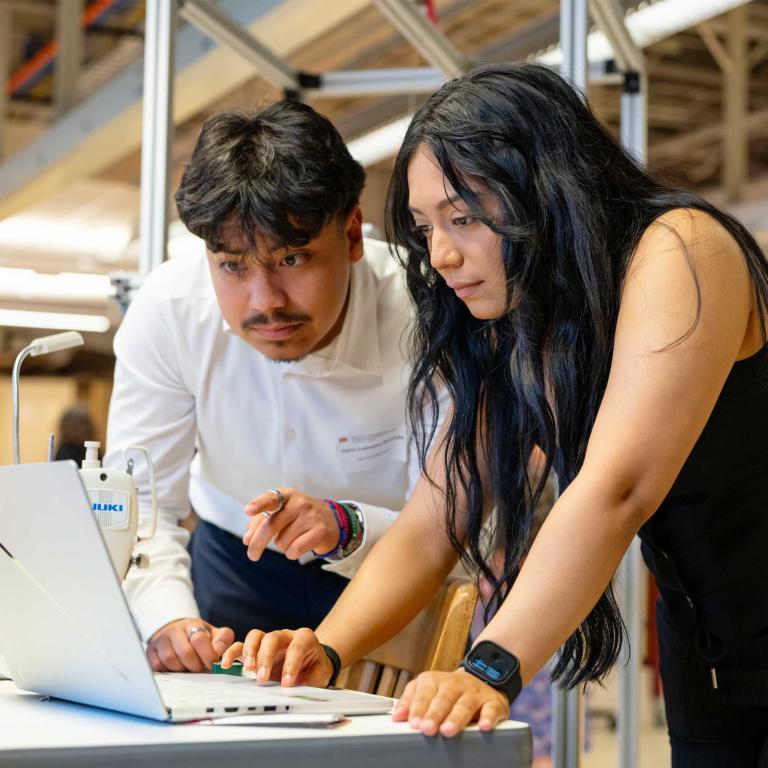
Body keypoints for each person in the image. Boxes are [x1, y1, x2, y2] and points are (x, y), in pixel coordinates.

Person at [221, 63, 768, 766]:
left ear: (544, 191)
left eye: (465, 217)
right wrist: (325, 649)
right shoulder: (524, 321)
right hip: (711, 651)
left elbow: (617, 489)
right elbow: (436, 521)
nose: (441, 254)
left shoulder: (681, 249)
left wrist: (487, 668)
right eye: (425, 226)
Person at [104, 100, 441, 675]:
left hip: (396, 563)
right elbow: (138, 507)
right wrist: (167, 620)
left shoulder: (430, 312)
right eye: (232, 266)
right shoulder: (170, 312)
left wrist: (346, 525)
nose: (266, 303)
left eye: (292, 258)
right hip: (233, 565)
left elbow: (464, 519)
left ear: (353, 235)